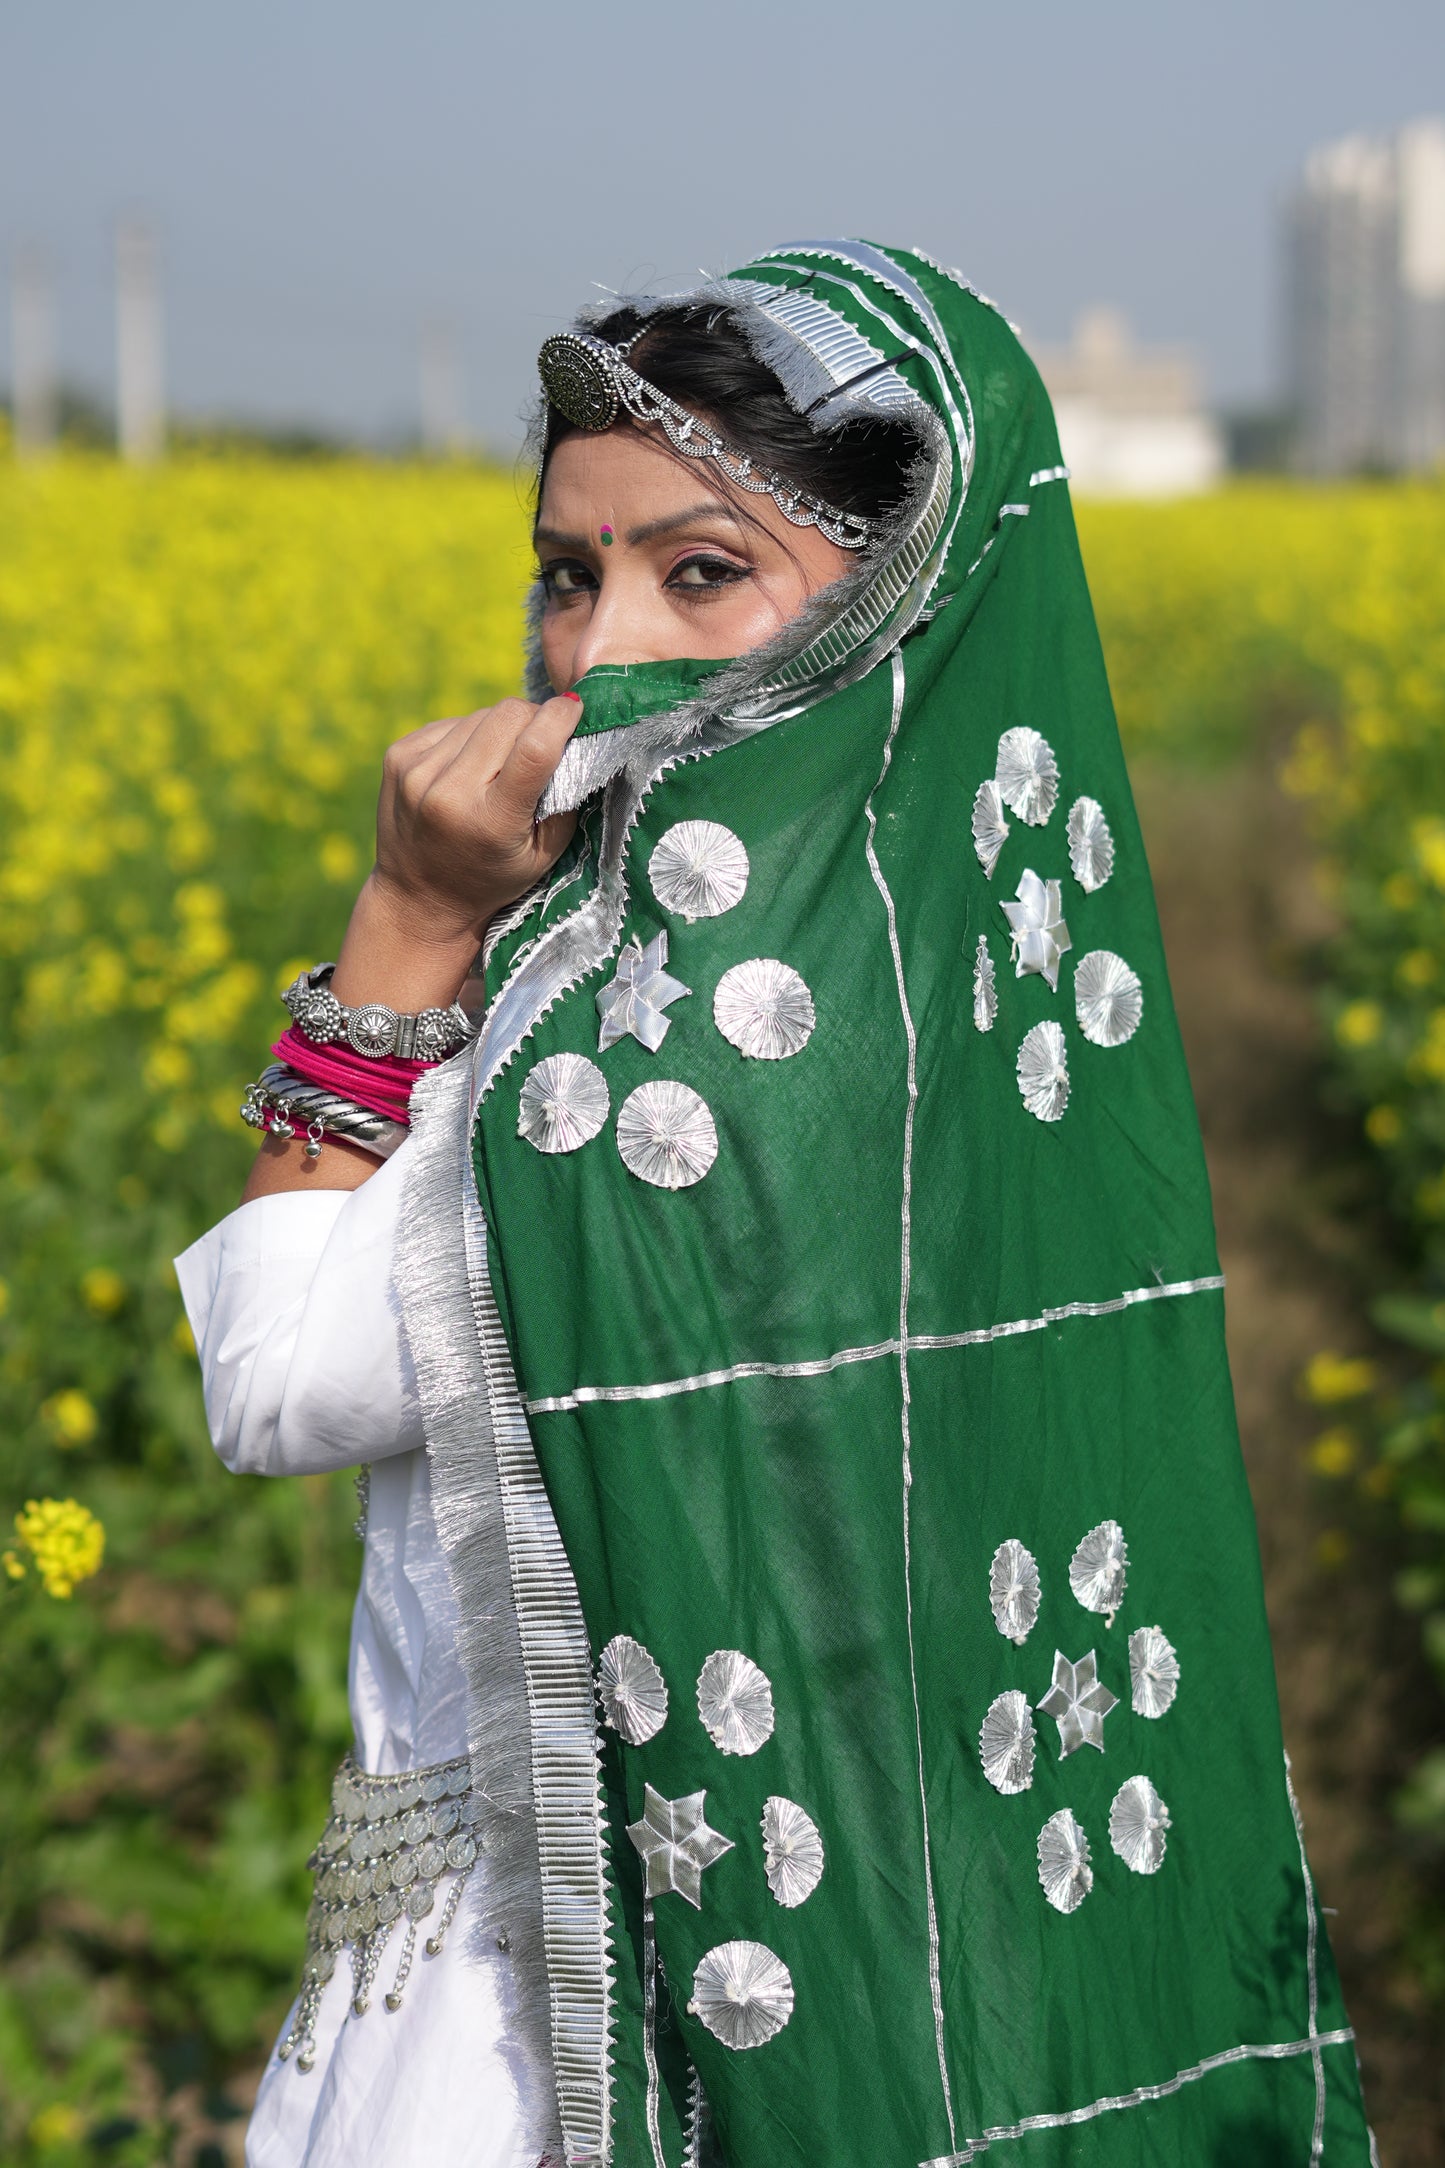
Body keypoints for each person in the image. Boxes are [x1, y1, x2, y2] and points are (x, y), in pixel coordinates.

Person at [178, 241, 1375, 2168]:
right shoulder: (975, 993)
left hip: (543, 2043)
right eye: (569, 574)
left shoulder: (633, 1068)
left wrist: (400, 925)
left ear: (891, 598)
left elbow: (271, 1383)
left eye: (701, 570)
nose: (592, 646)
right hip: (918, 1969)